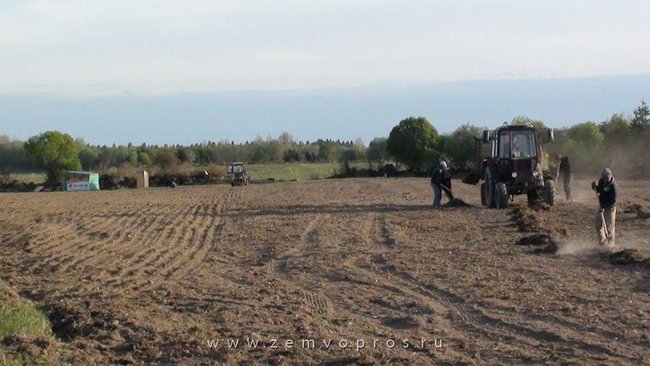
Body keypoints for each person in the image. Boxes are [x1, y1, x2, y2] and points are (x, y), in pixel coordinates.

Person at [591, 168, 617, 248]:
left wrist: (604, 208)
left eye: (607, 177)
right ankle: (602, 243)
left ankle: (611, 245)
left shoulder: (613, 186)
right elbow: (599, 190)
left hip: (610, 208)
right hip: (601, 206)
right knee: (598, 225)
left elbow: (612, 201)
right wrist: (594, 187)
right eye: (604, 177)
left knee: (609, 227)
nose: (605, 179)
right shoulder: (602, 181)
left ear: (610, 176)